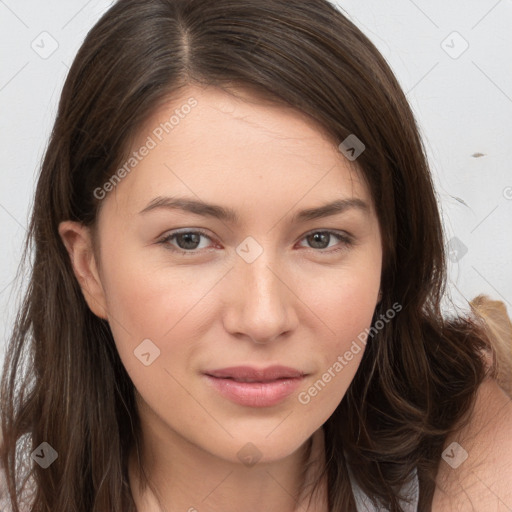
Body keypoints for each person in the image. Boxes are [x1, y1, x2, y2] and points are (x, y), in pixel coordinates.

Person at [1, 0, 511, 510]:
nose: (263, 319)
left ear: (387, 257)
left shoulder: (476, 456)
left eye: (321, 239)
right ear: (88, 268)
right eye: (189, 240)